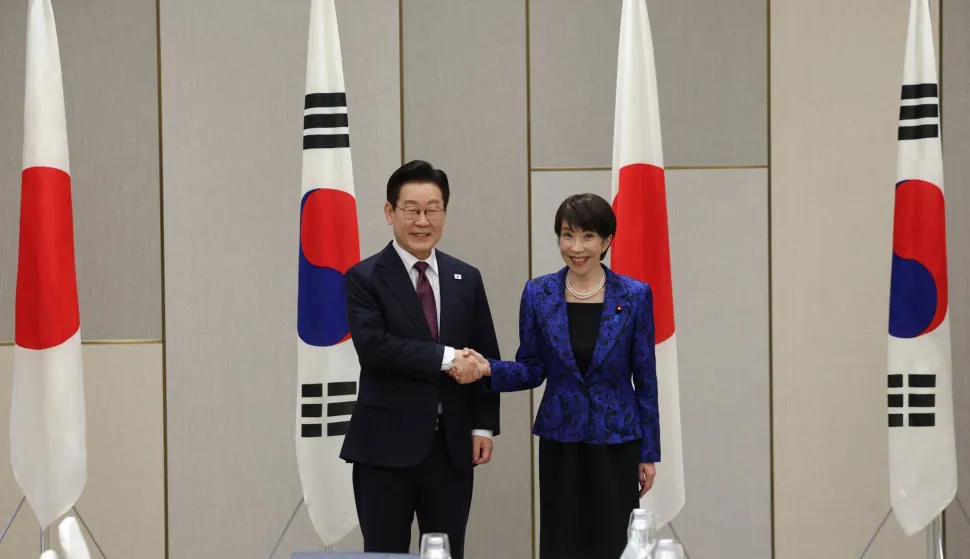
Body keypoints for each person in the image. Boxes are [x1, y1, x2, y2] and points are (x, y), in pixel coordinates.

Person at [454, 193, 660, 559]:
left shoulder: (634, 296)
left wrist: (649, 452)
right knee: (561, 541)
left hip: (617, 440)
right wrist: (489, 368)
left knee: (614, 542)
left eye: (588, 237)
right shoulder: (538, 293)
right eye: (567, 235)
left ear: (607, 241)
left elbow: (645, 380)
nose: (576, 247)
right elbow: (532, 367)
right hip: (559, 438)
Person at [339, 160, 500, 559]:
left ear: (445, 212)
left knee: (446, 552)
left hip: (451, 448)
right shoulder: (364, 277)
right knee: (385, 553)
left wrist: (483, 425)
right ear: (390, 212)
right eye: (411, 209)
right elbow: (375, 348)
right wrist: (447, 358)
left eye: (433, 209)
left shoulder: (467, 277)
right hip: (385, 449)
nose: (422, 220)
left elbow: (485, 356)